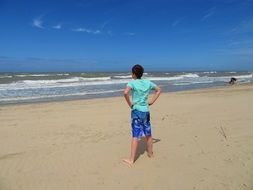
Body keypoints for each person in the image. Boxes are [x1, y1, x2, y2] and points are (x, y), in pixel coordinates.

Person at [123, 64, 161, 166]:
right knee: (148, 134)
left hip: (136, 111)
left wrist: (130, 104)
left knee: (135, 135)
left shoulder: (133, 83)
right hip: (145, 111)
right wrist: (152, 101)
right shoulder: (147, 82)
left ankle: (131, 160)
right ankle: (150, 154)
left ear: (134, 74)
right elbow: (158, 90)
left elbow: (125, 92)